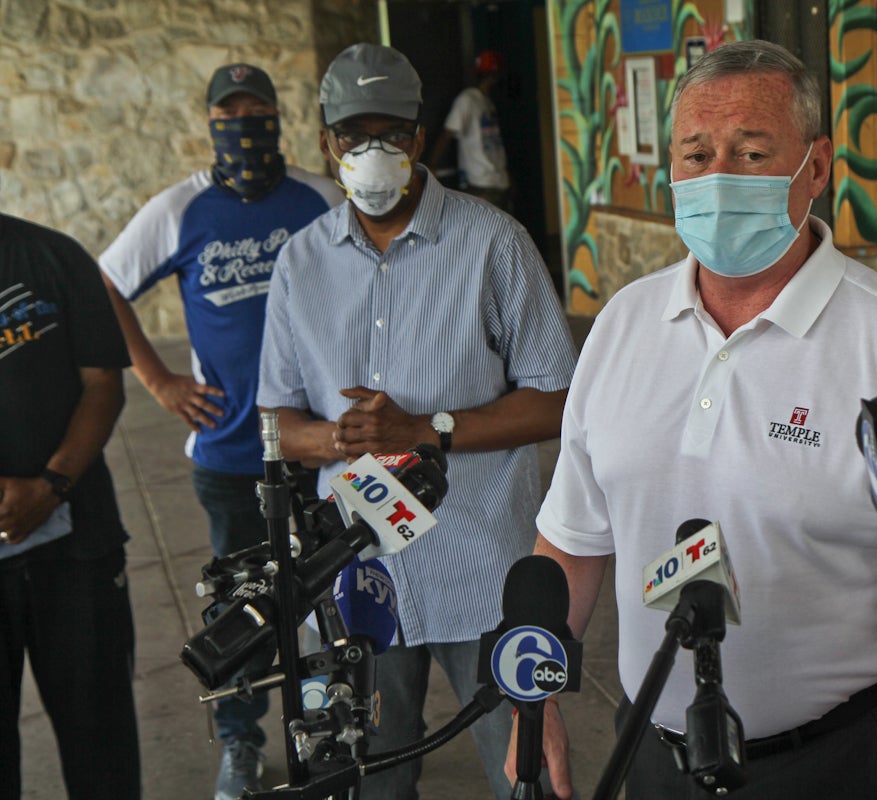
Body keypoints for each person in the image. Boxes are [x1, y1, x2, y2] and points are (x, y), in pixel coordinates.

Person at [516, 40, 877, 799]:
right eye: (696, 155)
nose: (719, 176)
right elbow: (571, 539)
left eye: (752, 151)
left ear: (818, 168)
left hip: (842, 763)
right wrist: (532, 703)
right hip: (654, 759)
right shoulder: (622, 326)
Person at [256, 43, 577, 800]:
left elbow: (559, 399)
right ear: (326, 142)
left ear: (422, 138)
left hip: (484, 571)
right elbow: (275, 419)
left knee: (527, 775)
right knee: (368, 777)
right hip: (358, 577)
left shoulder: (494, 242)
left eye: (391, 134)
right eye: (352, 134)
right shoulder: (300, 263)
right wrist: (343, 439)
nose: (371, 153)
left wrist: (423, 431)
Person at [96, 63, 344, 800]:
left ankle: (330, 732)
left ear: (278, 116)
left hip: (319, 445)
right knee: (241, 606)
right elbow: (103, 283)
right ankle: (241, 743)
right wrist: (159, 379)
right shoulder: (179, 210)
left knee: (331, 595)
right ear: (210, 123)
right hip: (231, 451)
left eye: (258, 109)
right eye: (230, 112)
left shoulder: (318, 198)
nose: (246, 124)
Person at [0, 213, 141, 799]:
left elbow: (103, 381)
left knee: (100, 743)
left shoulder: (52, 256)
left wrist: (51, 484)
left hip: (76, 544)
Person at [428, 49, 512, 211]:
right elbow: (447, 133)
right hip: (480, 182)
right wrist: (432, 165)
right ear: (493, 77)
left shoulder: (487, 103)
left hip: (498, 181)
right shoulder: (467, 100)